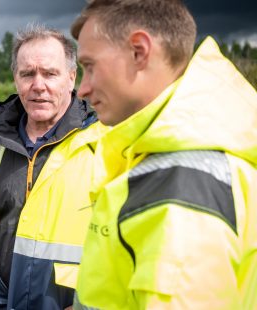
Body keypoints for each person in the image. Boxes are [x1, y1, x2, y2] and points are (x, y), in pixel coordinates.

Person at [70, 0, 257, 309]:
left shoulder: (180, 185)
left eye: (89, 67)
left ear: (139, 51)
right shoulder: (212, 145)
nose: (82, 89)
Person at [0, 24, 106, 309]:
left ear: (71, 78)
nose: (38, 85)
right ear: (15, 79)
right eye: (27, 74)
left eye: (49, 73)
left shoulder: (103, 147)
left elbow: (122, 248)